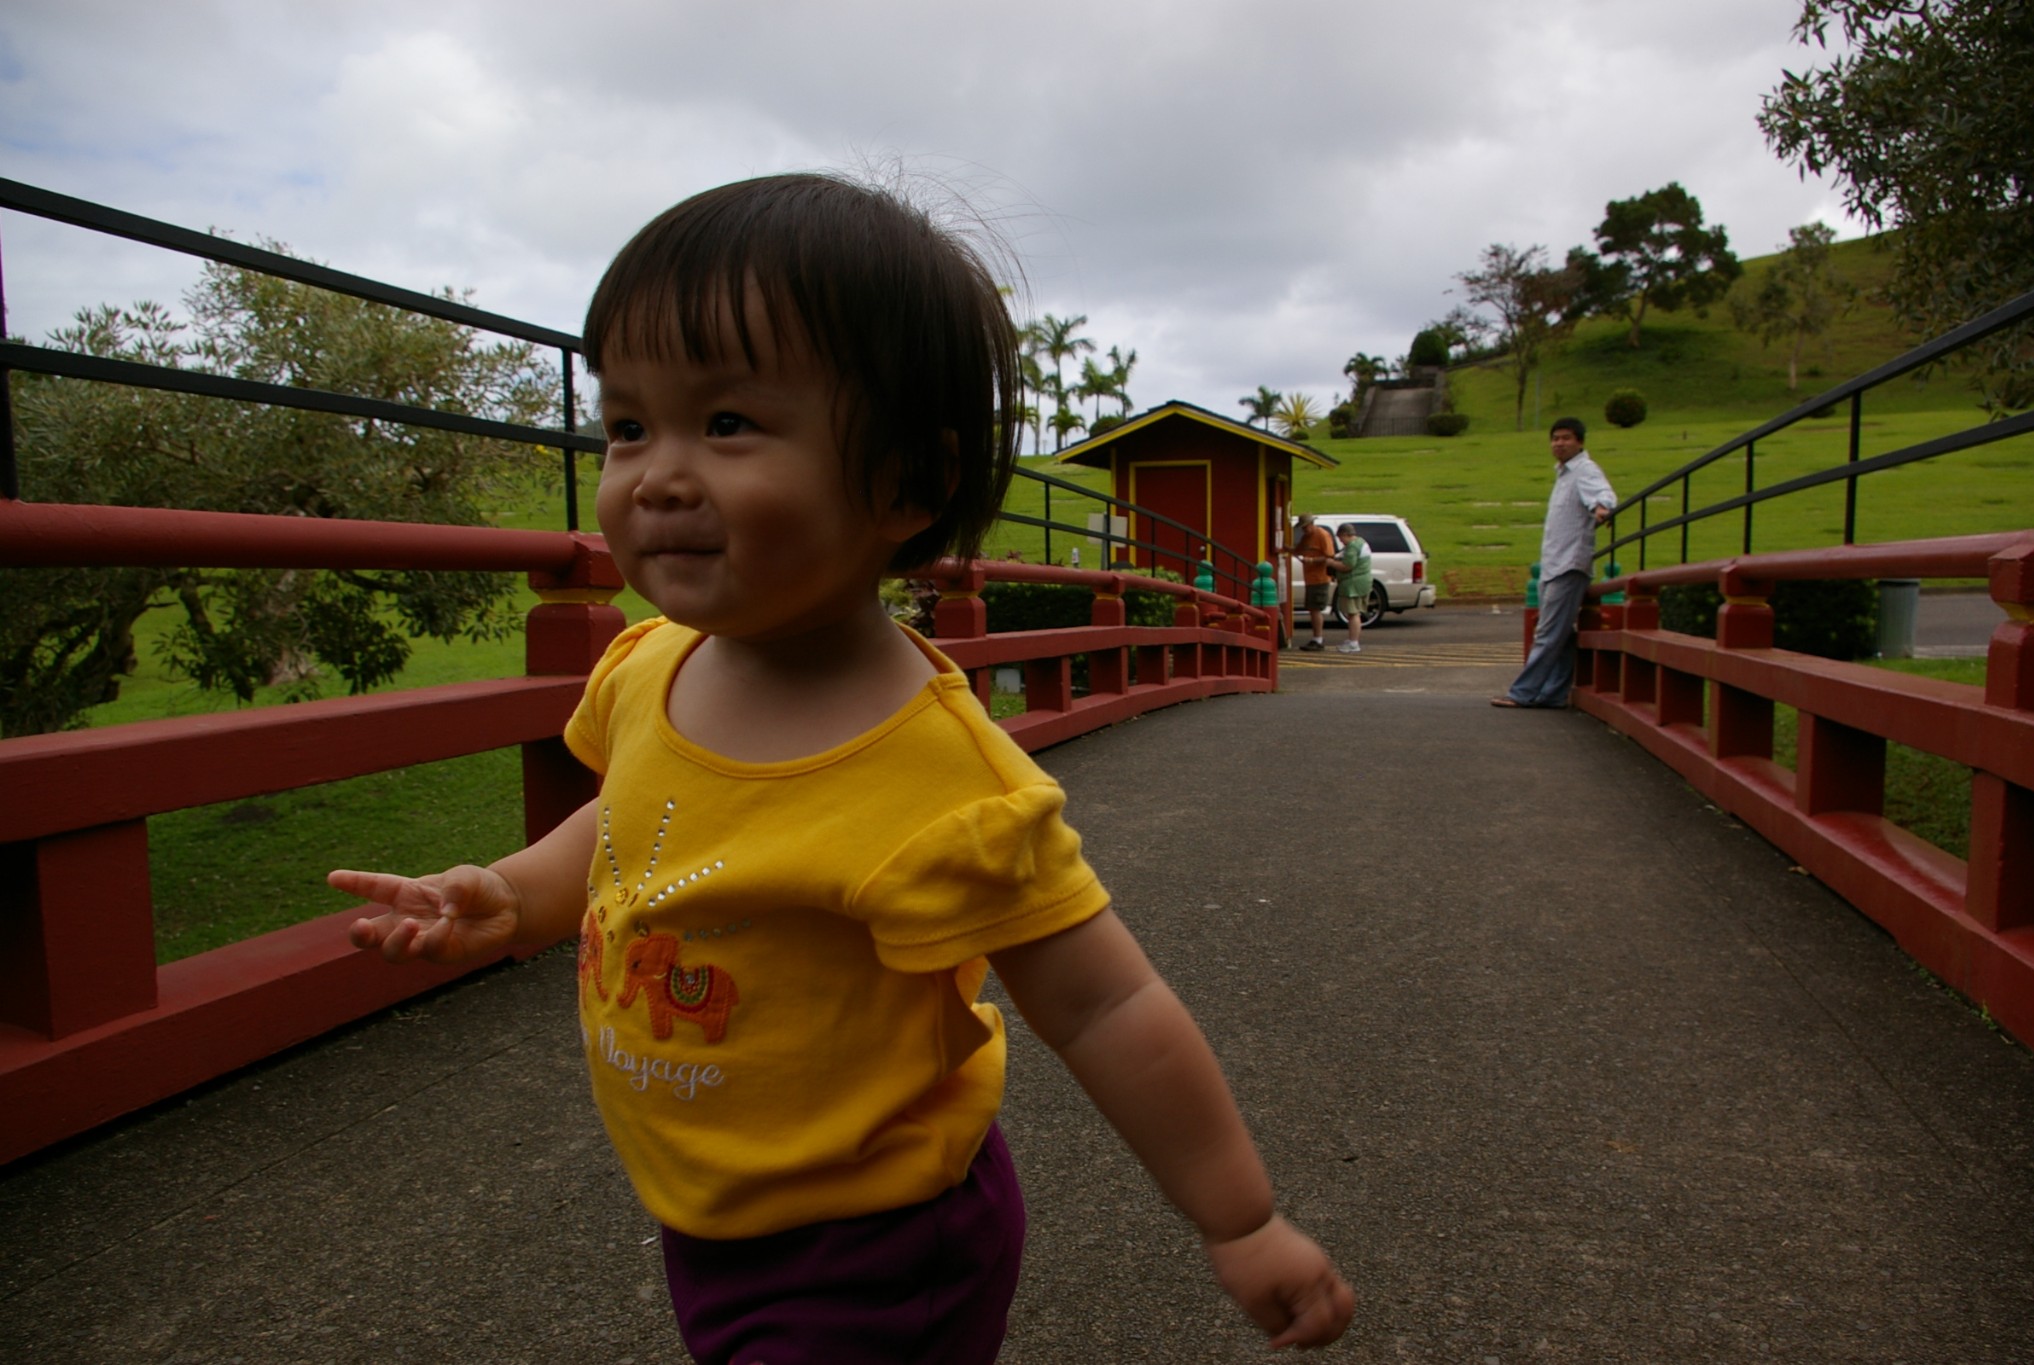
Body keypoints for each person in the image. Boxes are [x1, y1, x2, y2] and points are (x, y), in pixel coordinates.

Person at [328, 174, 1353, 1364]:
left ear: (904, 483)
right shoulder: (648, 666)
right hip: (711, 1212)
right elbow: (623, 824)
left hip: (869, 1250)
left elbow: (1106, 1003)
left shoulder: (936, 776)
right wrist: (510, 894)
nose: (655, 474)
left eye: (726, 424)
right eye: (625, 426)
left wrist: (1239, 1221)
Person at [1493, 416, 1616, 708]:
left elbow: (1603, 494)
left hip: (1569, 565)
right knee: (1560, 634)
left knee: (1548, 634)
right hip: (1554, 564)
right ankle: (1552, 694)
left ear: (1580, 442)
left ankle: (1522, 693)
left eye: (1566, 438)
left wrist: (1602, 508)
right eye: (1555, 438)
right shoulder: (1564, 475)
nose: (1559, 443)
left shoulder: (1585, 469)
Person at [1291, 512, 1337, 650]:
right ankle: (1316, 638)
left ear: (1312, 524)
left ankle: (1318, 639)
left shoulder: (1322, 535)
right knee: (1312, 609)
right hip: (1310, 578)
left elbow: (1330, 556)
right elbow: (1297, 550)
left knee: (1315, 609)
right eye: (1303, 528)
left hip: (1320, 577)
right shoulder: (1307, 537)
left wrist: (1311, 560)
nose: (1304, 530)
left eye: (1306, 527)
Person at [1330, 523, 1373, 654]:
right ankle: (1352, 640)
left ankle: (1354, 644)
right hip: (1363, 582)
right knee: (1354, 613)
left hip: (1353, 584)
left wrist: (1331, 563)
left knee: (1353, 613)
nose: (1341, 541)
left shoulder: (1352, 547)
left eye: (1341, 538)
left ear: (1345, 534)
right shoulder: (1361, 542)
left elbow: (1347, 566)